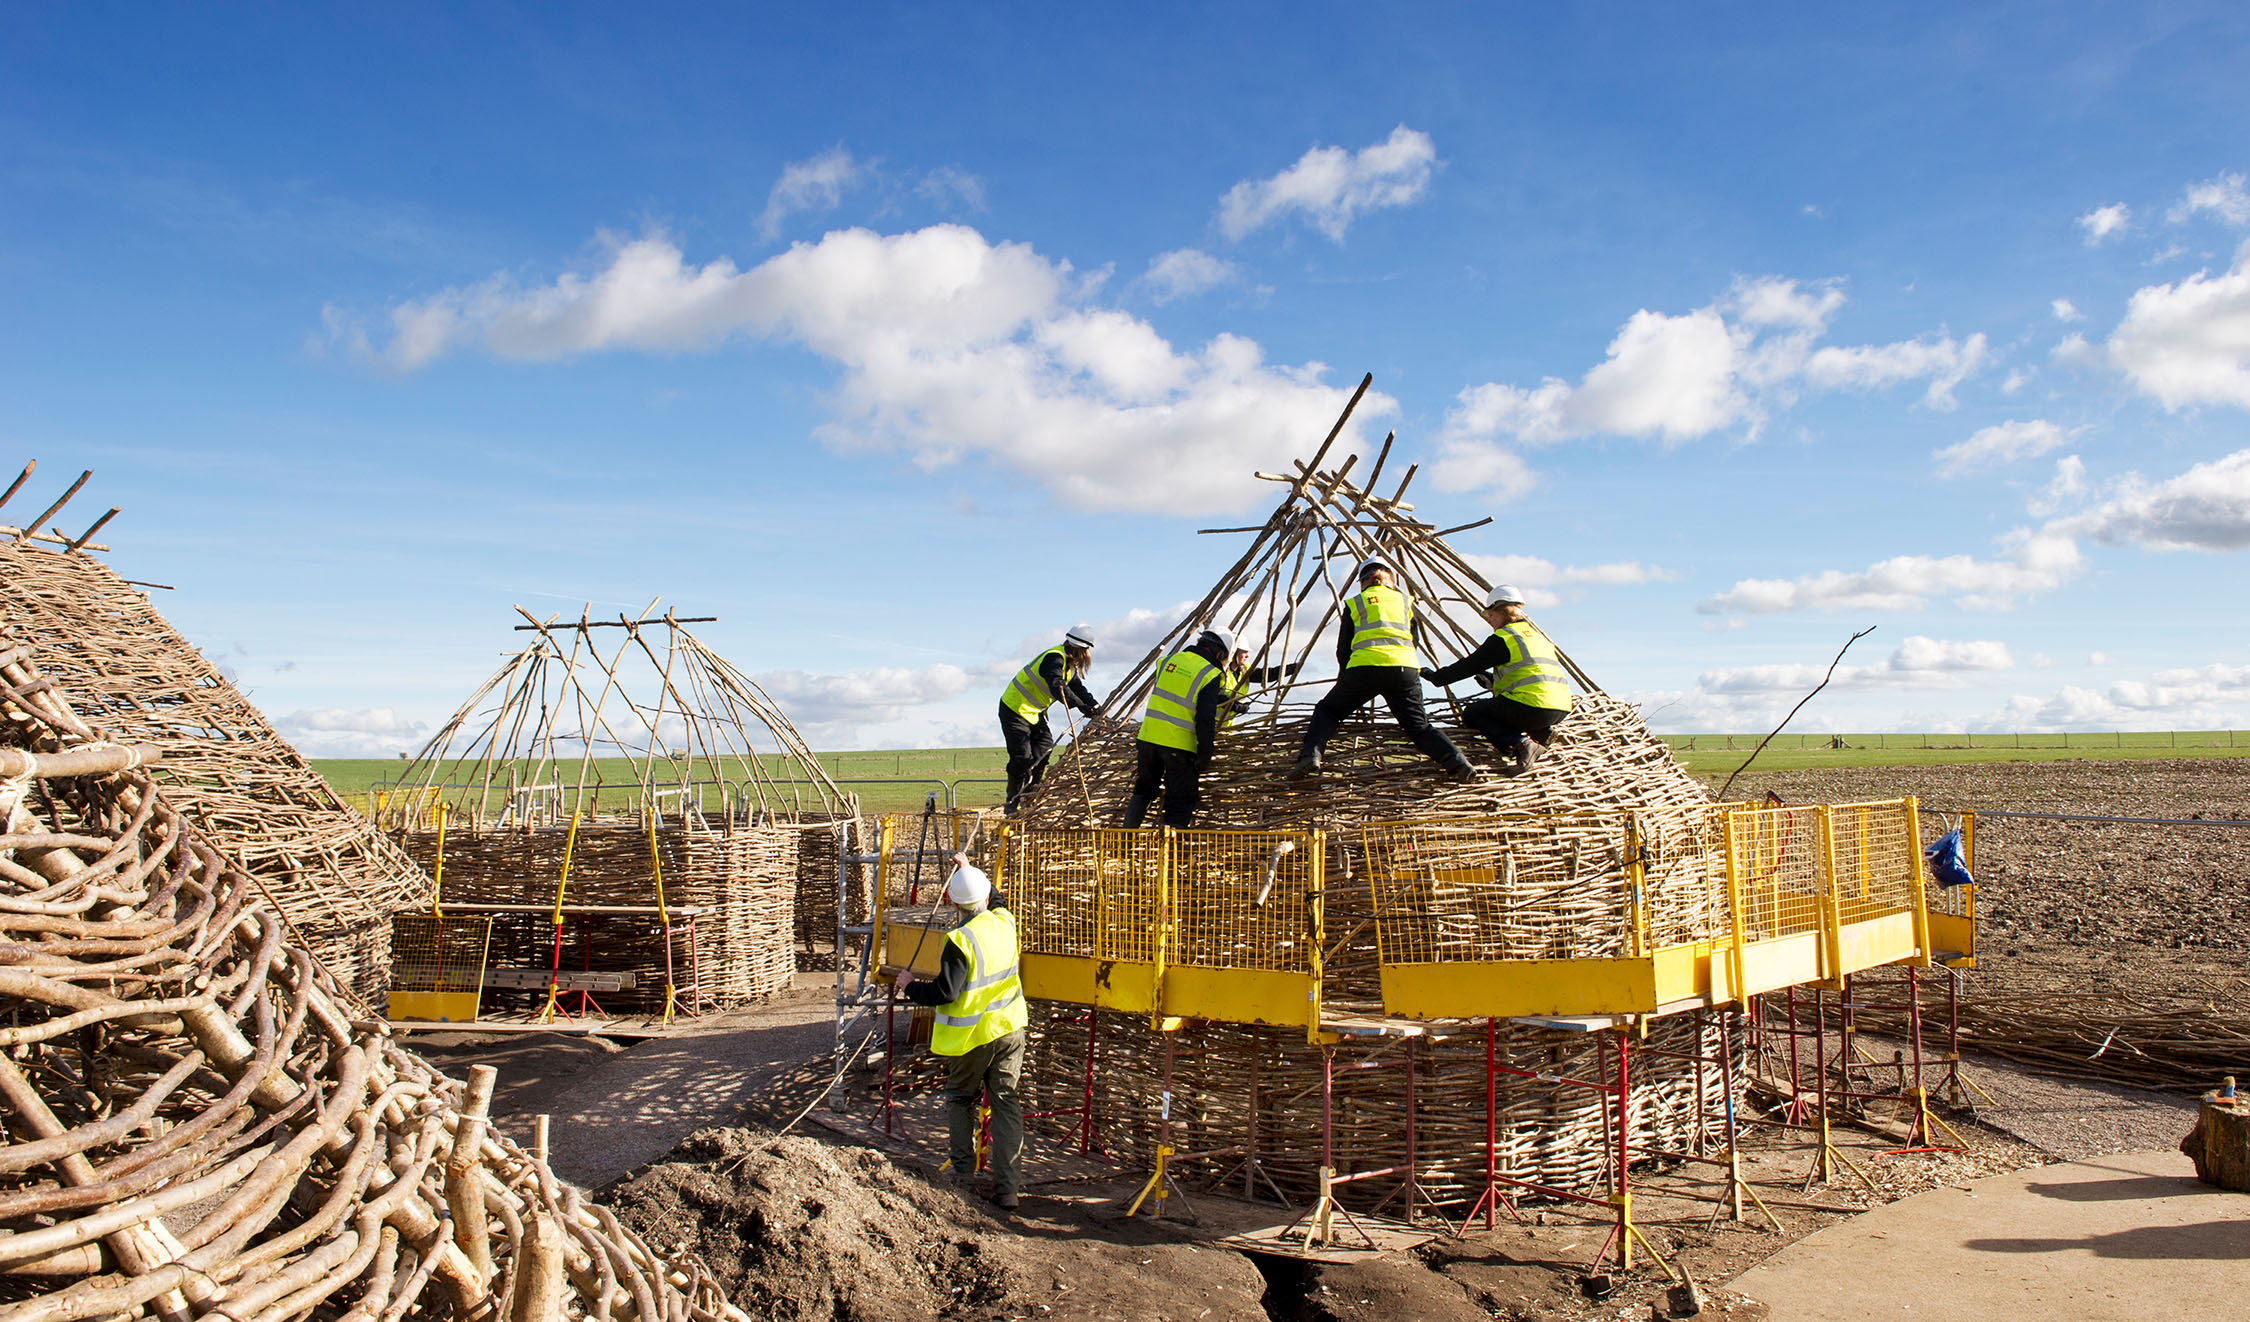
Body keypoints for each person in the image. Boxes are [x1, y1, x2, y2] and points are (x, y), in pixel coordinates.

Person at [892, 857, 1028, 1211]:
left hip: (973, 1038)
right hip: (1010, 1029)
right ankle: (1008, 1190)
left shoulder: (960, 940)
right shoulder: (1005, 921)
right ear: (984, 895)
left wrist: (909, 987)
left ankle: (963, 1176)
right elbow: (995, 899)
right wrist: (968, 868)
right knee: (1006, 1103)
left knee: (959, 1098)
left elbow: (946, 993)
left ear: (952, 903)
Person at [1286, 558, 1476, 781]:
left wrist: (1345, 679)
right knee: (1418, 726)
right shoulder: (1406, 602)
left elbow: (1343, 649)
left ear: (1363, 582)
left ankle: (1311, 755)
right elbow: (1413, 640)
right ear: (1390, 579)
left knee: (1329, 711)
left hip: (1363, 669)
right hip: (1403, 669)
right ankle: (1456, 761)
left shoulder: (1356, 602)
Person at [1421, 583, 1573, 776]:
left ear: (1502, 611)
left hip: (1532, 707)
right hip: (1559, 707)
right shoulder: (1538, 637)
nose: (1489, 620)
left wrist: (1436, 677)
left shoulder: (1505, 638)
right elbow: (1531, 674)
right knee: (1503, 709)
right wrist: (1493, 681)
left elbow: (1468, 666)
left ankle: (1522, 744)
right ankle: (1541, 733)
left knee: (1473, 713)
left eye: (1490, 614)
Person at [1124, 628, 1230, 828]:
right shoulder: (1210, 673)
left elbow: (1178, 690)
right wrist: (1205, 752)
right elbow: (1205, 719)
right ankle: (1171, 855)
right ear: (1219, 654)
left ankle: (1124, 844)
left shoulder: (1167, 662)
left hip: (1148, 739)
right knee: (1179, 800)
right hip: (1179, 747)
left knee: (1144, 789)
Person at [998, 630, 1099, 812]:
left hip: (1034, 713)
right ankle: (1011, 804)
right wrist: (1082, 707)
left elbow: (1078, 688)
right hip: (1014, 709)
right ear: (1082, 650)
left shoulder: (1069, 667)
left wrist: (1095, 706)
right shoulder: (1054, 659)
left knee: (1044, 752)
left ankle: (1031, 797)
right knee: (1021, 758)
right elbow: (1057, 686)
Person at [1219, 646, 1302, 725]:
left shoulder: (1244, 669)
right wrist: (1236, 706)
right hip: (1212, 724)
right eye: (1244, 652)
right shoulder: (1220, 670)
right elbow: (1217, 696)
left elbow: (1265, 675)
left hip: (1225, 726)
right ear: (1233, 652)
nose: (1247, 656)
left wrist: (1287, 669)